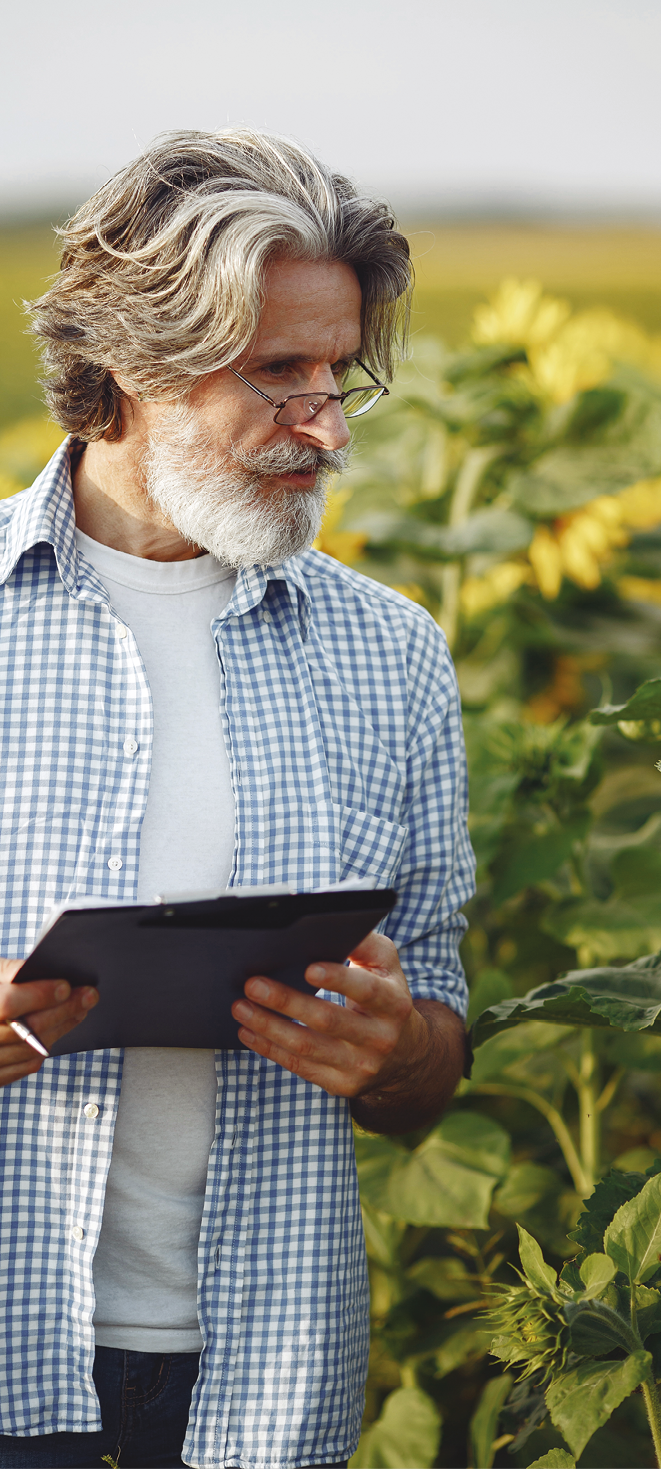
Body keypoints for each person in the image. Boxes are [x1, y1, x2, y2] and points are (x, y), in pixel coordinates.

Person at [0, 130, 475, 1468]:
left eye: (339, 375)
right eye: (278, 374)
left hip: (258, 1389)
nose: (324, 424)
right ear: (131, 364)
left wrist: (397, 1055)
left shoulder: (394, 654)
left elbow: (433, 1048)